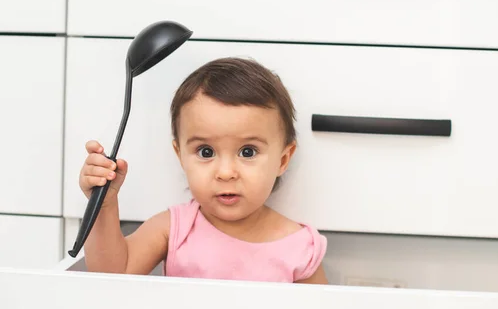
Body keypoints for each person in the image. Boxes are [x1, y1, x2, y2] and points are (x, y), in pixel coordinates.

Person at [78, 57, 328, 284]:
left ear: (282, 160)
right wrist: (103, 204)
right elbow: (112, 276)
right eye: (206, 152)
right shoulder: (174, 228)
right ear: (181, 156)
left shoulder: (300, 247)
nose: (226, 173)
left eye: (247, 152)